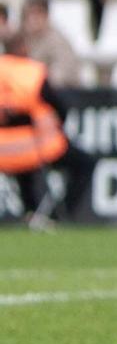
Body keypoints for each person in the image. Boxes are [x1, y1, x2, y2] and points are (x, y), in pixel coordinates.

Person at [0, 48, 70, 232]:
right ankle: (53, 217)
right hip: (29, 147)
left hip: (7, 151)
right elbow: (61, 110)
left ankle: (31, 213)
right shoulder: (31, 74)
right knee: (82, 165)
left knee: (25, 172)